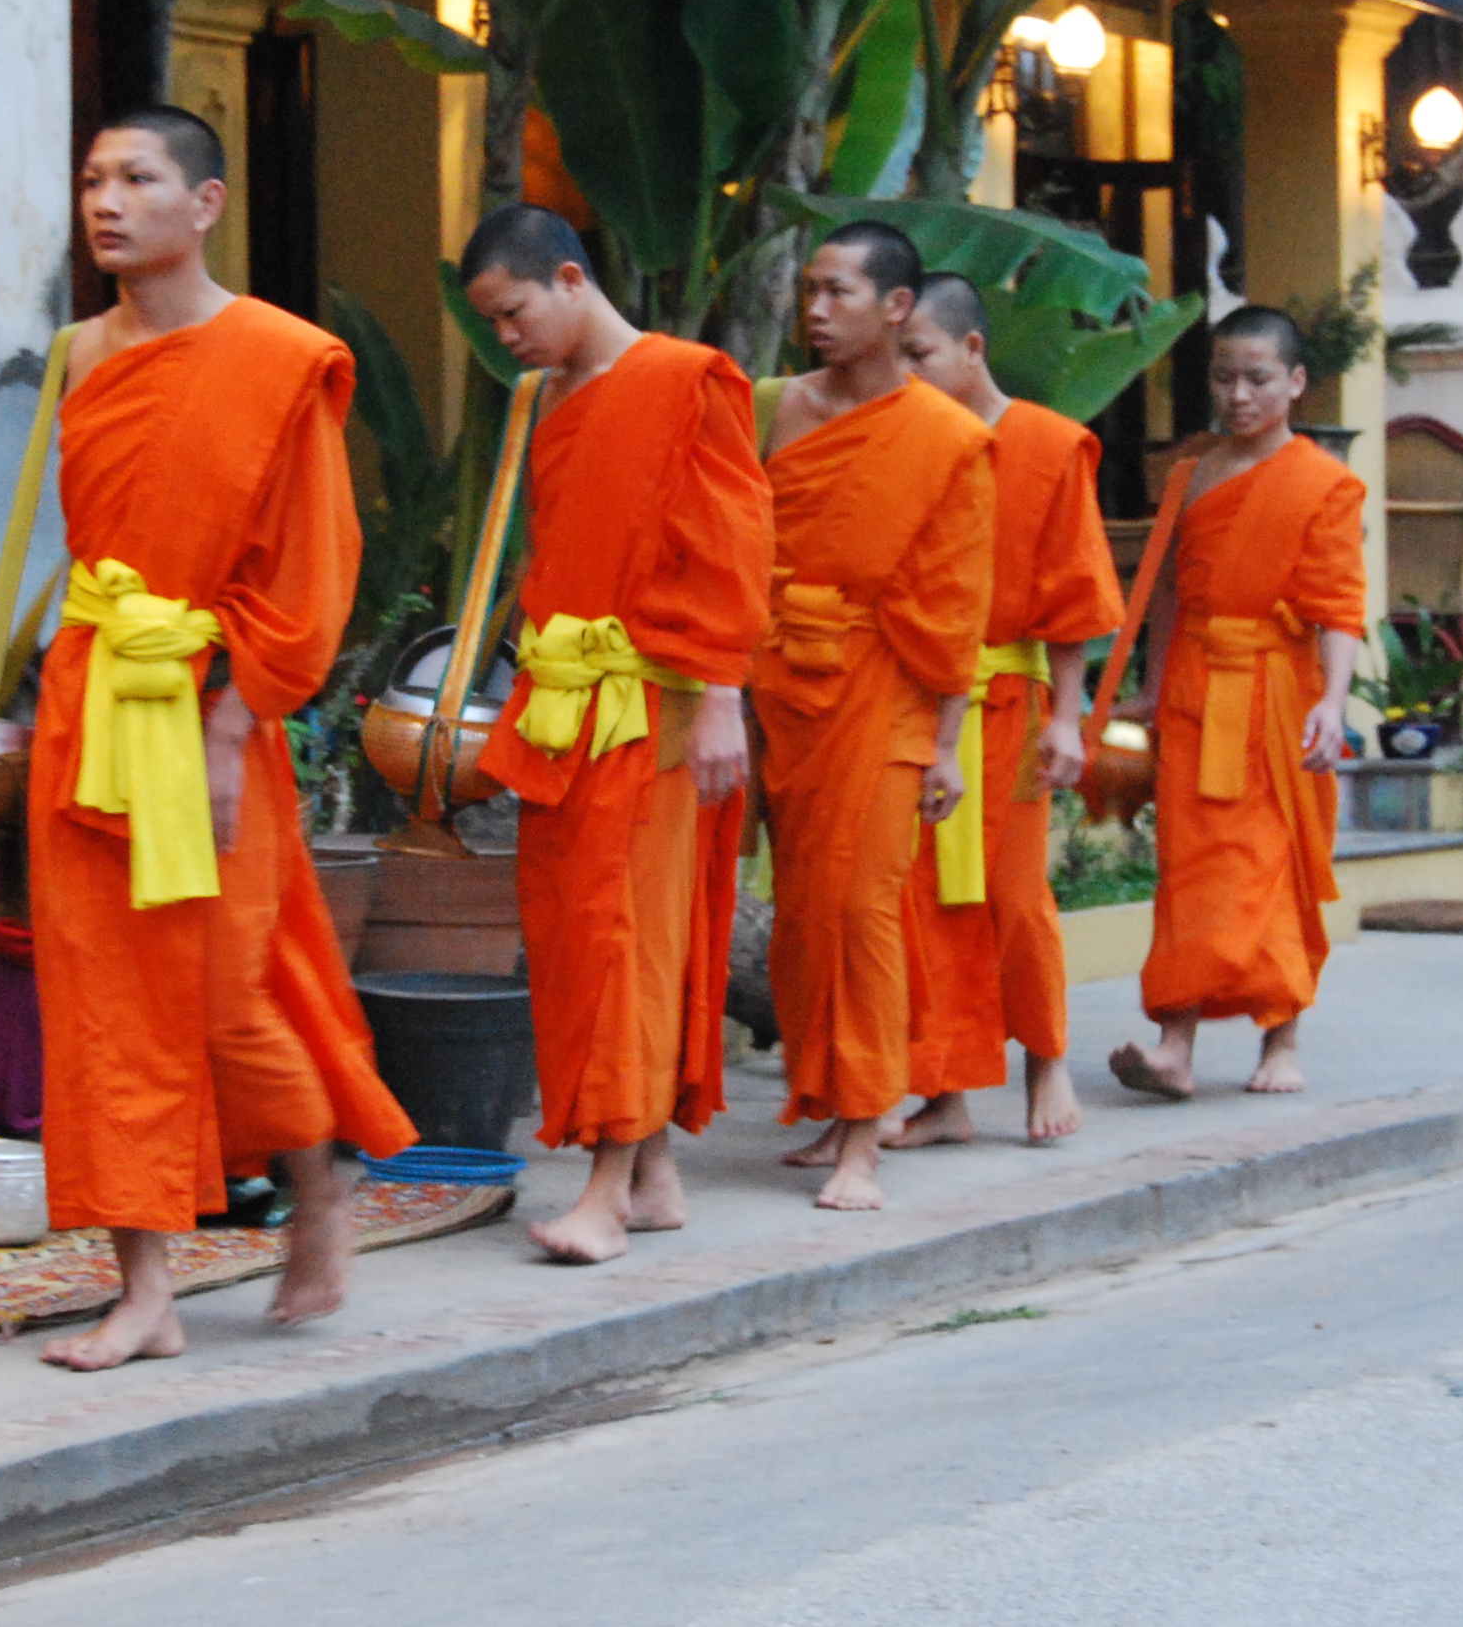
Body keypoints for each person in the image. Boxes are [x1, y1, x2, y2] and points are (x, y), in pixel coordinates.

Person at [24, 108, 417, 1368]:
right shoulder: (80, 354)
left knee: (222, 989)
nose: (106, 200)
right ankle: (142, 1290)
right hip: (92, 709)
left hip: (206, 706)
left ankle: (316, 1184)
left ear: (205, 204)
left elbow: (312, 568)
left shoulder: (277, 359)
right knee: (98, 1005)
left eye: (137, 177)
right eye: (92, 178)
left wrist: (230, 718)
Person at [463, 206, 771, 1264]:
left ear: (566, 278)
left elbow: (730, 540)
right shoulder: (547, 401)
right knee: (570, 930)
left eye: (512, 313)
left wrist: (723, 692)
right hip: (561, 706)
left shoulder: (687, 379)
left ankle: (601, 1186)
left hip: (654, 703)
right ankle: (651, 1169)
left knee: (618, 938)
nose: (506, 338)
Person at [756, 221, 993, 1213]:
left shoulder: (945, 439)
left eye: (838, 292)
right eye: (809, 290)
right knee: (805, 919)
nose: (814, 310)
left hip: (884, 690)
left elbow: (953, 599)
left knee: (860, 912)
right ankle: (830, 1098)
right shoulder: (781, 410)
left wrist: (943, 744)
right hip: (779, 688)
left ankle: (865, 1131)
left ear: (897, 309)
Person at [1106, 307, 1365, 1101]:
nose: (1240, 395)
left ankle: (1279, 1036)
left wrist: (1333, 702)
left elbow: (1338, 605)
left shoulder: (1324, 480)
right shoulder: (1190, 473)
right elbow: (1167, 590)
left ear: (1295, 383)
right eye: (1225, 377)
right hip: (1192, 686)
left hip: (1276, 696)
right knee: (1188, 867)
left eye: (1258, 378)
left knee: (1268, 865)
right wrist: (1150, 684)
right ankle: (1173, 1043)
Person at [890, 273, 1124, 1147]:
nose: (907, 376)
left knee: (1016, 896)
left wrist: (1068, 718)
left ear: (972, 347)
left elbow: (1074, 598)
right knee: (925, 897)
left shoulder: (1052, 445)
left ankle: (1047, 1058)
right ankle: (944, 1094)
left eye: (921, 355)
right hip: (919, 701)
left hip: (1011, 699)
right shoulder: (905, 441)